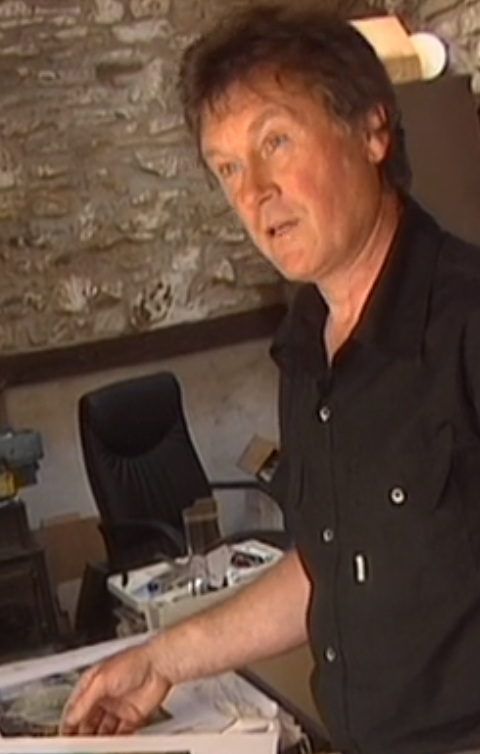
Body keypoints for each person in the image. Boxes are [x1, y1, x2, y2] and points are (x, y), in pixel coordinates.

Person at [61, 4, 480, 754]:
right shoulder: (306, 348)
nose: (253, 193)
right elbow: (331, 563)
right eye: (227, 168)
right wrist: (164, 659)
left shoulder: (468, 324)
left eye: (275, 142)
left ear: (373, 131)